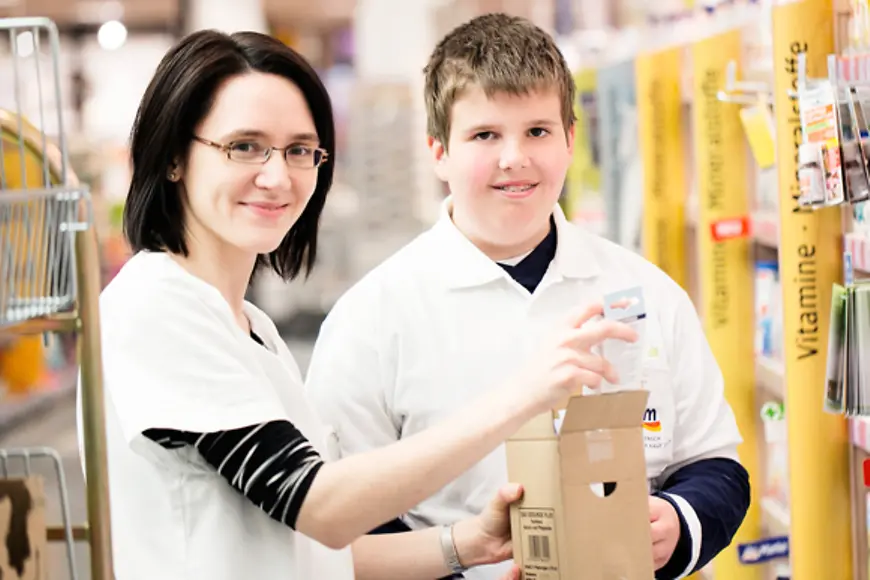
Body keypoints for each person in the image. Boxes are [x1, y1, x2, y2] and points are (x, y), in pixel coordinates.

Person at [75, 29, 640, 580]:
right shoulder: (155, 308)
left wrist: (467, 544)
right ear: (175, 157)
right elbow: (318, 506)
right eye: (244, 146)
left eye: (299, 150)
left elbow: (315, 551)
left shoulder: (252, 329)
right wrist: (525, 395)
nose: (277, 176)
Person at [305, 13, 752, 580]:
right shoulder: (369, 320)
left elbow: (716, 466)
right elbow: (343, 520)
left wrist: (676, 521)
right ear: (438, 151)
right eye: (485, 135)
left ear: (570, 140)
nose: (514, 157)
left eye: (537, 131)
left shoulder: (649, 291)